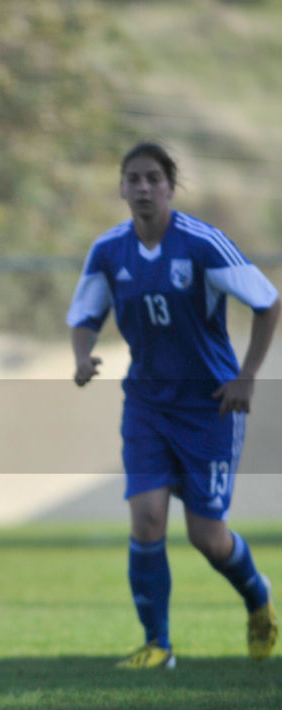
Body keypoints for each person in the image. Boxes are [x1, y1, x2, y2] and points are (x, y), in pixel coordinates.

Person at [68, 141, 280, 669]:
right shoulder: (109, 250)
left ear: (170, 186)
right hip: (145, 404)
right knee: (147, 519)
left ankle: (258, 599)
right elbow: (85, 315)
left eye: (153, 179)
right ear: (121, 187)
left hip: (209, 405)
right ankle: (157, 644)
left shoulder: (202, 244)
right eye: (133, 179)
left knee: (208, 538)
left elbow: (269, 302)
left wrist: (246, 378)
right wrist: (82, 356)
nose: (142, 188)